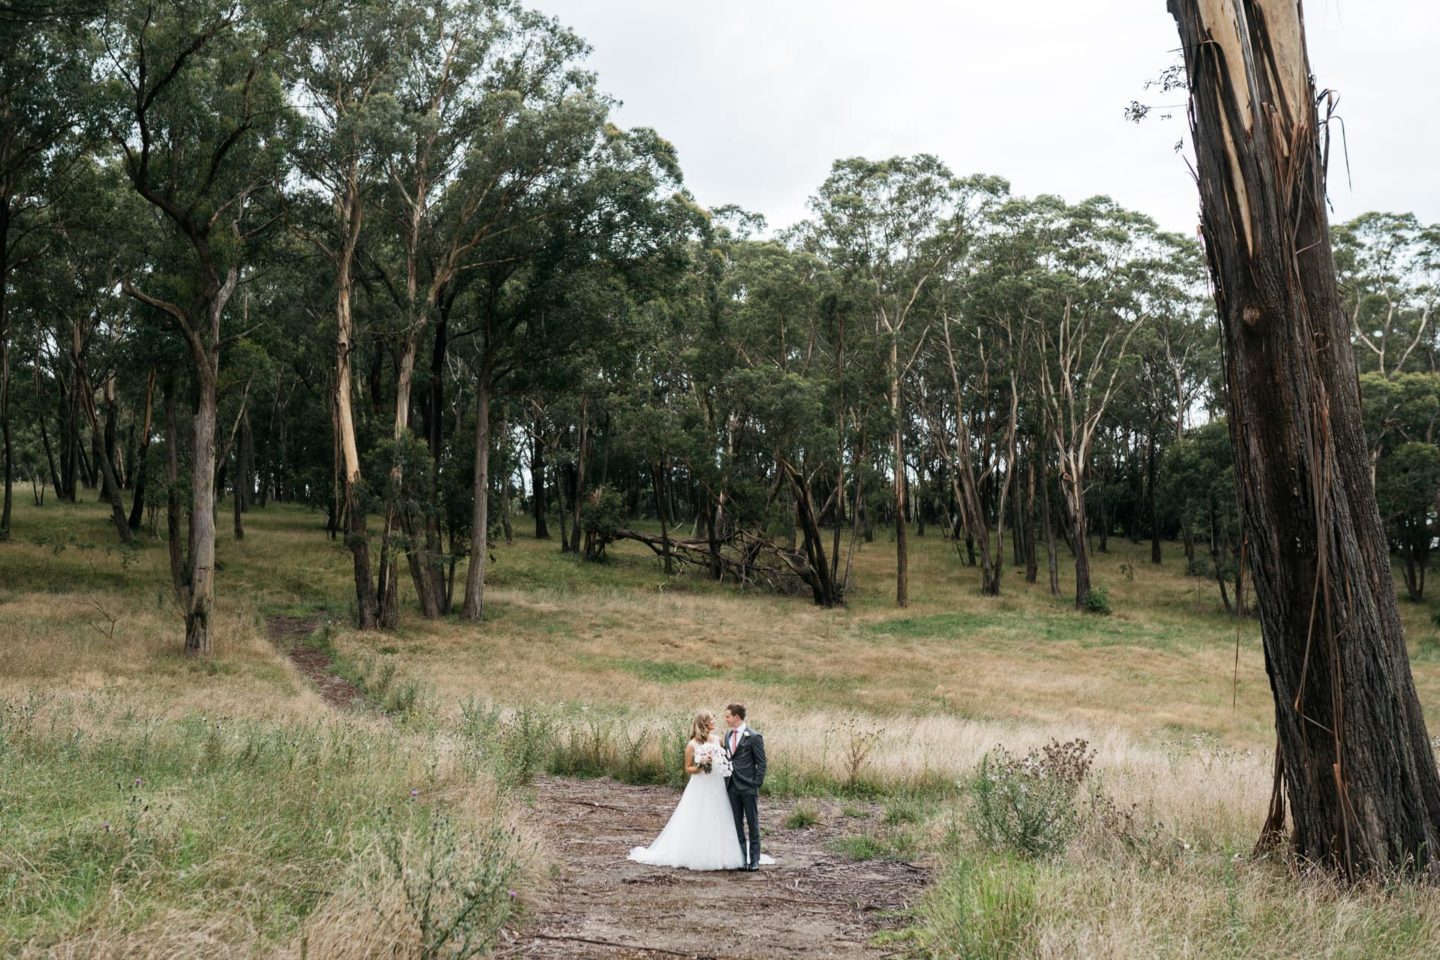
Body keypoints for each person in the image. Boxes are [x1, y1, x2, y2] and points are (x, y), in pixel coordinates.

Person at [722, 703, 767, 870]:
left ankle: (755, 860)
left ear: (736, 717)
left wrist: (756, 783)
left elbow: (761, 763)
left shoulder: (754, 737)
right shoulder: (727, 735)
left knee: (753, 823)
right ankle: (741, 858)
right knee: (737, 824)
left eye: (727, 716)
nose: (725, 719)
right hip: (732, 786)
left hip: (748, 786)